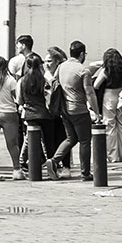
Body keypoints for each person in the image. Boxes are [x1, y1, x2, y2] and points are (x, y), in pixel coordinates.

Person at [50, 41, 97, 179]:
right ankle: (85, 172)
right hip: (79, 110)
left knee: (71, 138)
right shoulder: (83, 70)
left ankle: (53, 161)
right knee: (84, 141)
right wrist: (97, 112)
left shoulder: (61, 67)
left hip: (64, 109)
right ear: (82, 54)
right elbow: (90, 93)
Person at [17, 49, 53, 173]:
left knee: (28, 138)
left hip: (29, 114)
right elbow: (48, 97)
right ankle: (49, 160)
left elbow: (19, 100)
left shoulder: (22, 81)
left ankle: (22, 161)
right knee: (46, 140)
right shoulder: (44, 80)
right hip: (44, 114)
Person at [92, 47, 122, 163]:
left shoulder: (106, 70)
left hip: (109, 96)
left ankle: (112, 156)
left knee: (110, 126)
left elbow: (96, 85)